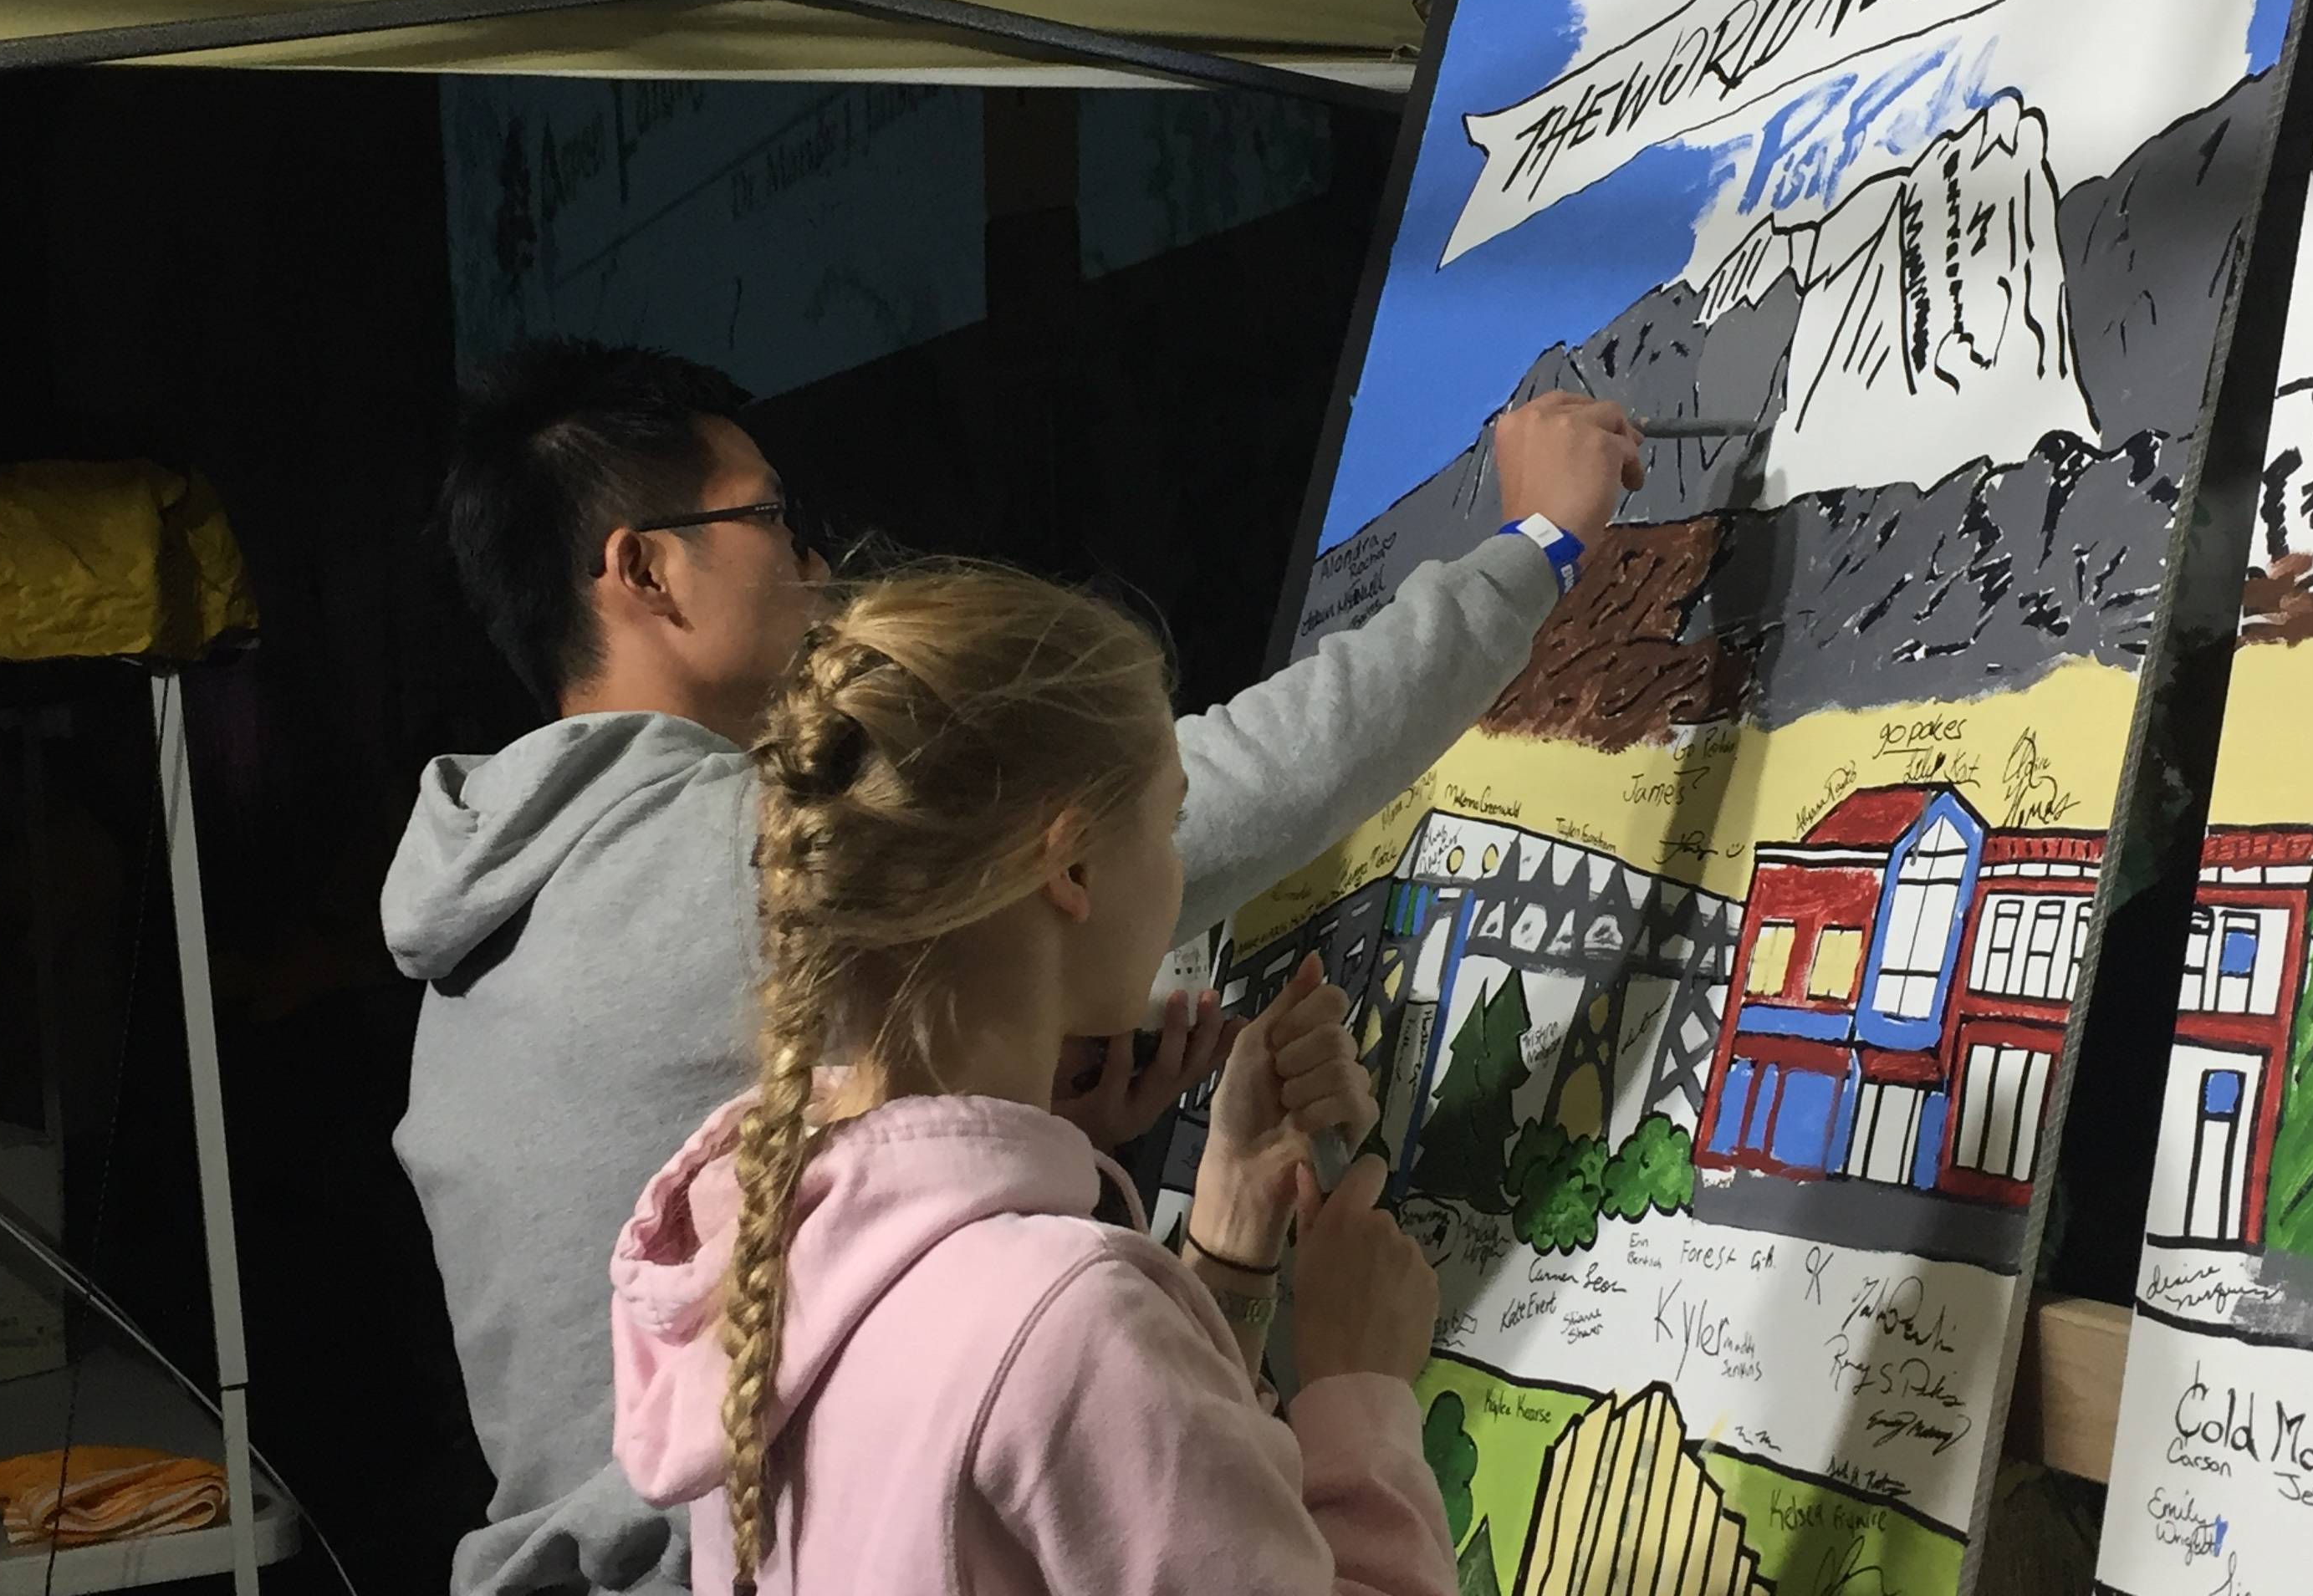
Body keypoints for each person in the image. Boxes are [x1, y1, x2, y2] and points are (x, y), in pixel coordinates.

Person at [381, 340, 1640, 1596]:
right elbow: (1253, 774)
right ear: (647, 569)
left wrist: (1035, 1136)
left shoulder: (486, 941)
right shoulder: (757, 853)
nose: (816, 565)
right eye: (774, 520)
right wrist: (1537, 548)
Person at [611, 566, 1454, 1596]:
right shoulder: (1068, 1324)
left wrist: (1228, 1251)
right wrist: (1358, 1387)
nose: (1178, 868)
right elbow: (1065, 1378)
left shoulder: (768, 1260)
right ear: (1073, 868)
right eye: (1168, 821)